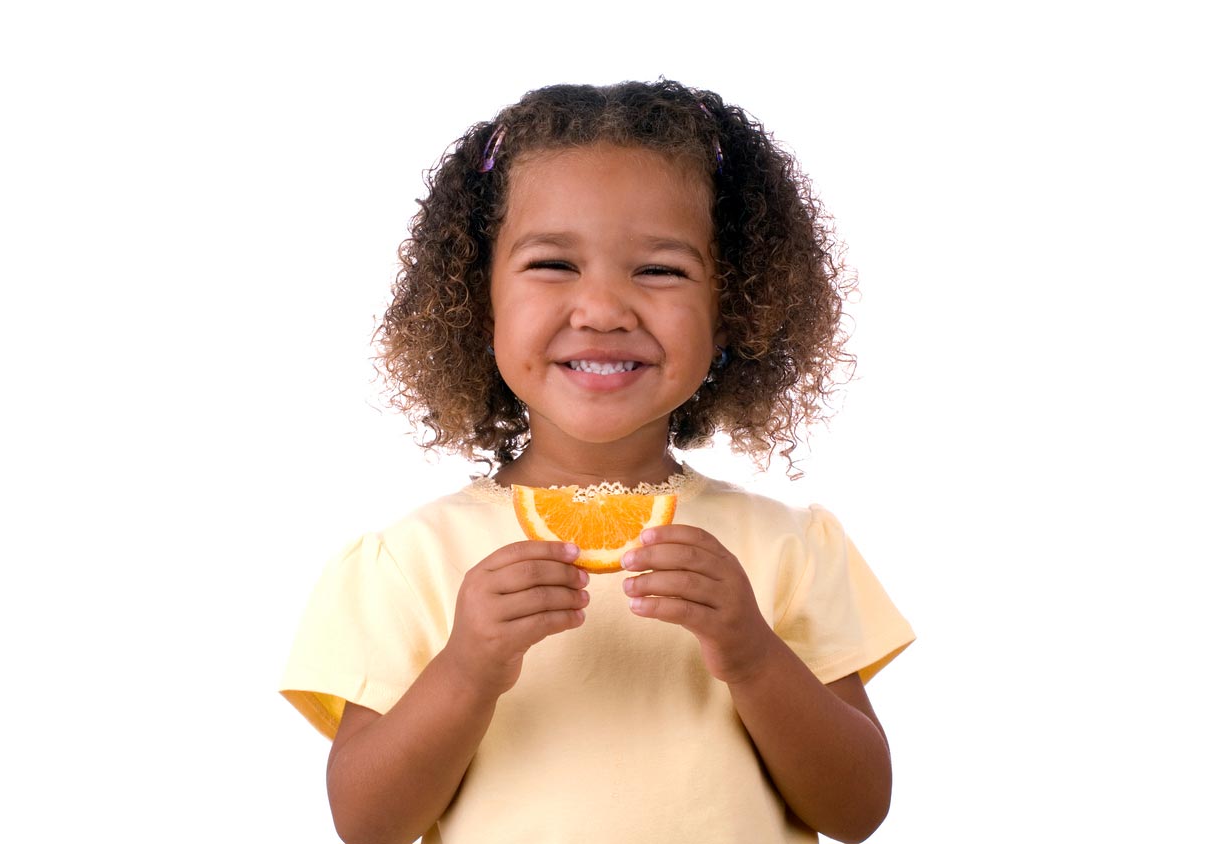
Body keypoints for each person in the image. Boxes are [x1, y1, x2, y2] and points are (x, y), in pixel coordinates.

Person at [280, 80, 914, 844]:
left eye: (660, 270)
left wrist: (753, 654)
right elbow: (366, 823)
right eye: (552, 264)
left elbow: (856, 811)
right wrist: (465, 670)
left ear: (732, 307)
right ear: (479, 302)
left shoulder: (787, 552)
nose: (605, 309)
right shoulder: (409, 563)